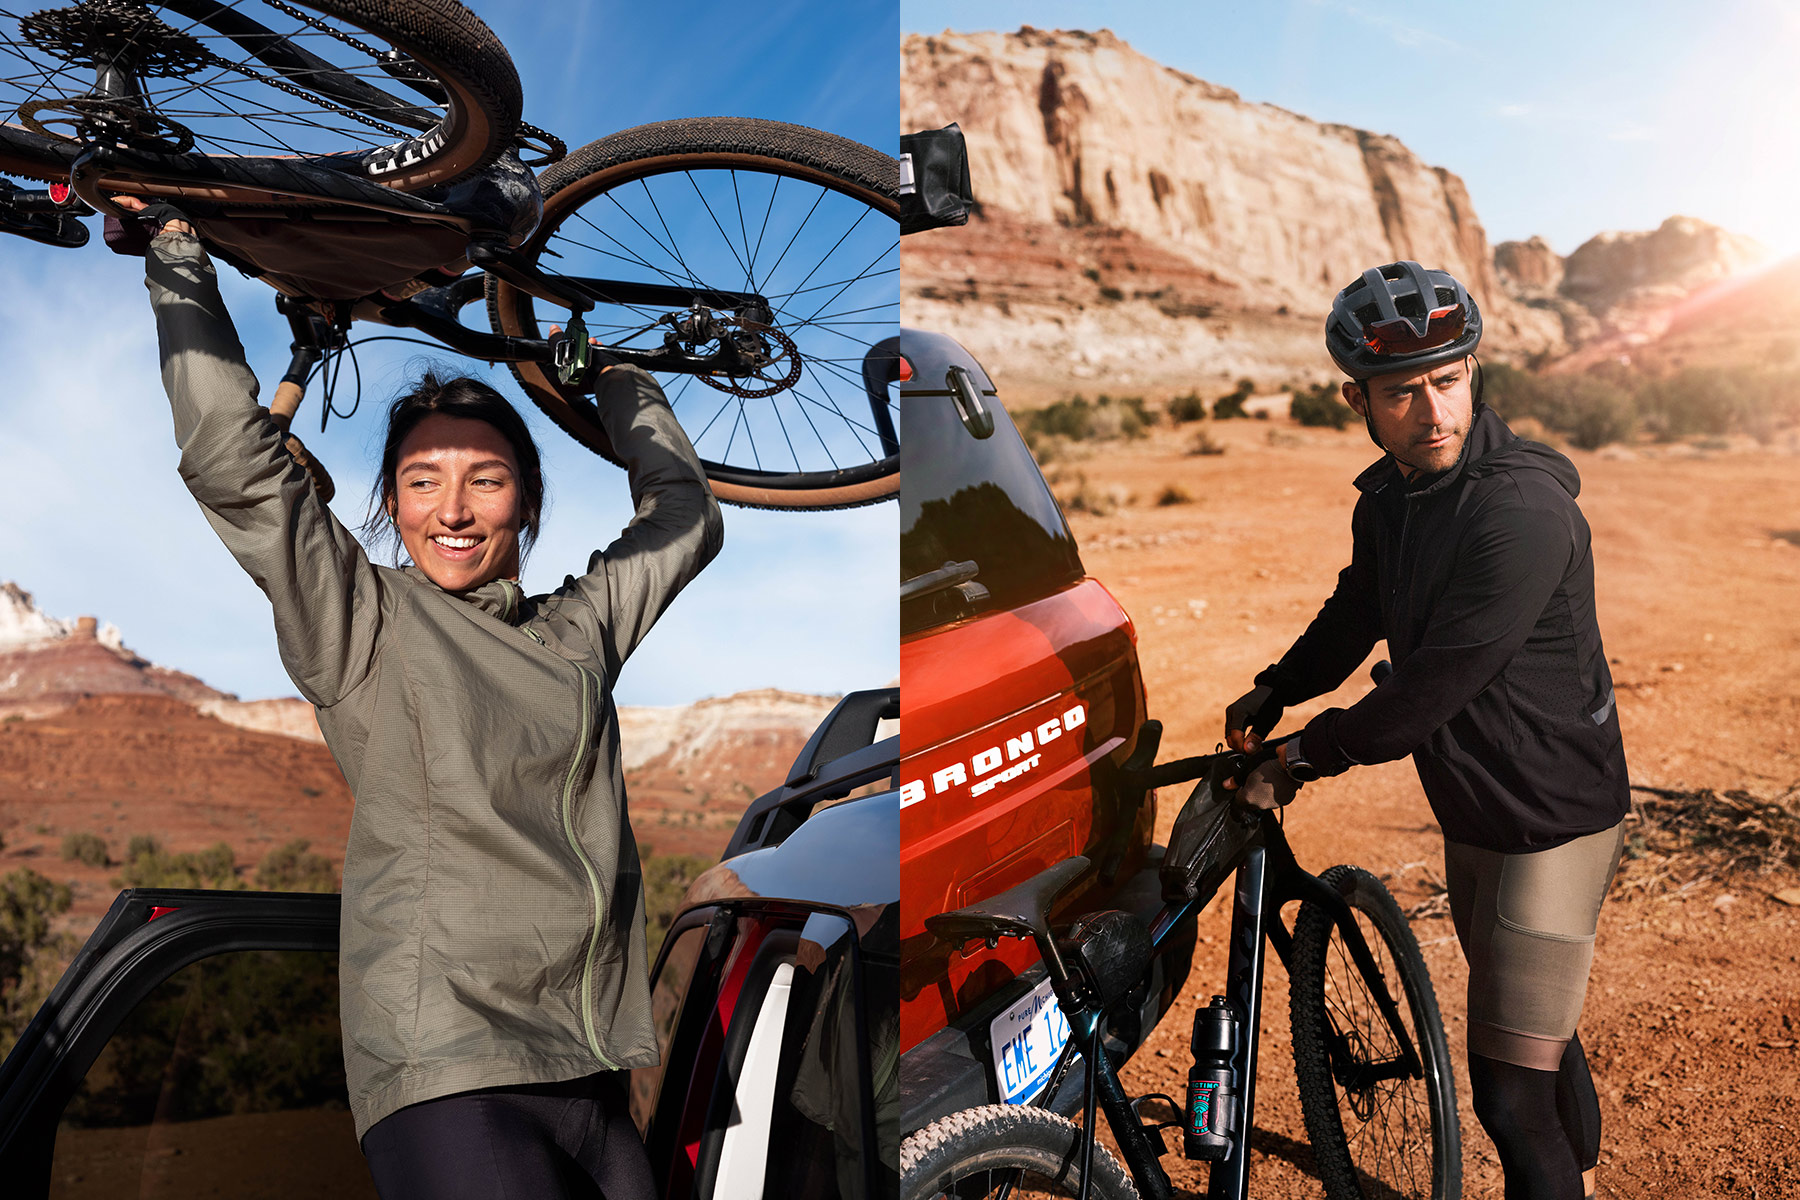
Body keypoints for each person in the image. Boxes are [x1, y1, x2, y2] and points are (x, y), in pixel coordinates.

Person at [128, 198, 723, 1199]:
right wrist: (178, 261)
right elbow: (235, 461)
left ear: (527, 502)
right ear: (391, 506)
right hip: (446, 1070)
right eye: (421, 482)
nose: (452, 509)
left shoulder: (575, 633)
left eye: (486, 481)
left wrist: (616, 383)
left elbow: (685, 517)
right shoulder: (361, 620)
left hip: (591, 1072)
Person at [1225, 261, 1628, 1200]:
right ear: (1355, 399)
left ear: (1474, 373)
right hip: (1476, 807)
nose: (1432, 412)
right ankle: (1585, 1170)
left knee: (1506, 1096)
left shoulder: (1519, 510)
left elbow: (1431, 689)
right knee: (1530, 1029)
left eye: (1448, 381)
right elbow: (1357, 607)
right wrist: (1278, 686)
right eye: (1402, 392)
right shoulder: (1393, 501)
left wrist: (1299, 756)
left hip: (1552, 819)